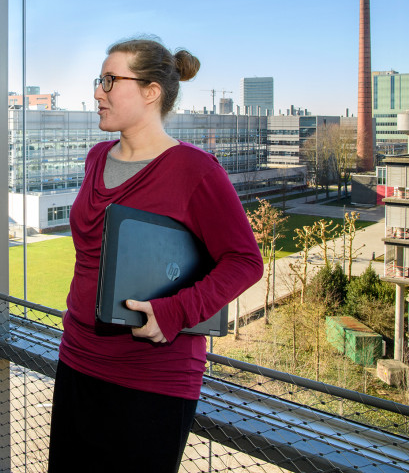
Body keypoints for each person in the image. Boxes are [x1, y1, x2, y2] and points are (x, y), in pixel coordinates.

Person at [48, 38, 264, 473]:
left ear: (151, 92)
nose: (97, 92)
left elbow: (245, 261)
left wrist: (175, 312)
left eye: (110, 80)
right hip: (78, 358)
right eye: (99, 80)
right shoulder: (96, 158)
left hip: (152, 378)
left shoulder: (196, 170)